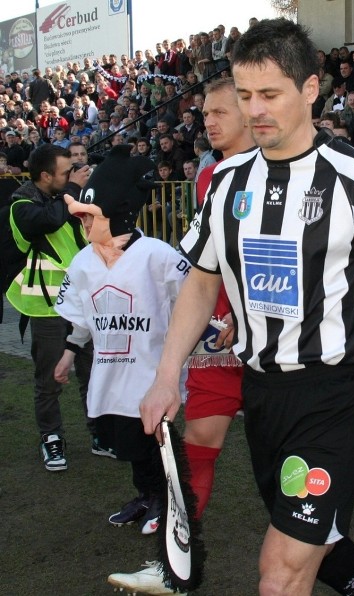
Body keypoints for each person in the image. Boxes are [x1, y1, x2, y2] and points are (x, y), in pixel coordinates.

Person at [138, 18, 354, 596]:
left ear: (309, 90)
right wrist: (164, 377)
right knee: (312, 539)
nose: (255, 109)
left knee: (279, 573)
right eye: (245, 94)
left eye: (271, 94)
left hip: (334, 394)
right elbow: (202, 283)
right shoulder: (225, 180)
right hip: (262, 392)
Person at [108, 77, 256, 595]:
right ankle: (174, 566)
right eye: (204, 113)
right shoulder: (209, 177)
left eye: (219, 112)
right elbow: (205, 266)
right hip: (214, 341)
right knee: (197, 450)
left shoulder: (283, 170)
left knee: (294, 471)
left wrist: (247, 310)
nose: (207, 122)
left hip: (274, 350)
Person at [53, 145, 186, 541]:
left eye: (89, 217)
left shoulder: (158, 256)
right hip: (111, 374)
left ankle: (168, 502)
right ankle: (145, 496)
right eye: (79, 217)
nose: (83, 225)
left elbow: (191, 305)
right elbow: (80, 317)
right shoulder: (83, 263)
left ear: (118, 213)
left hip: (152, 374)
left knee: (157, 443)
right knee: (128, 444)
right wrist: (67, 354)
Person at [5, 145, 101, 471]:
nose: (70, 175)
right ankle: (51, 438)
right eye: (64, 173)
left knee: (93, 372)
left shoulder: (68, 199)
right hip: (45, 309)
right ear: (46, 176)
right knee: (48, 380)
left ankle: (98, 431)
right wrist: (73, 189)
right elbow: (47, 221)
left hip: (83, 305)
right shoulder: (20, 206)